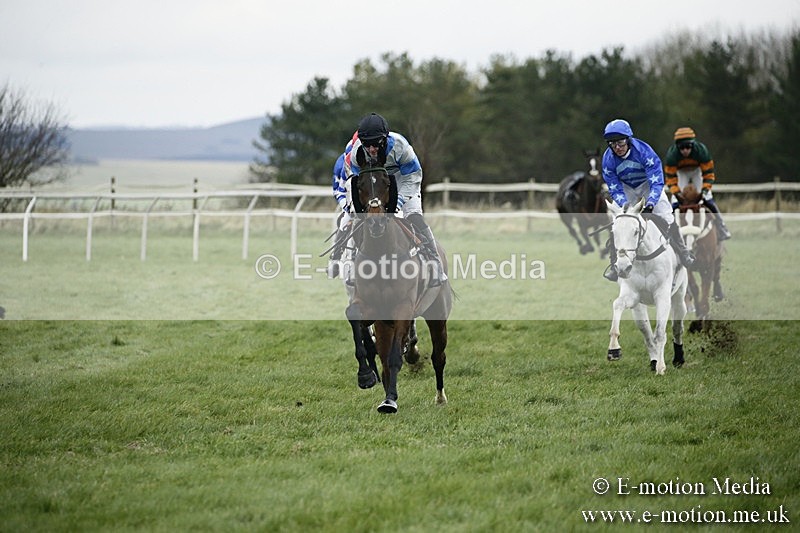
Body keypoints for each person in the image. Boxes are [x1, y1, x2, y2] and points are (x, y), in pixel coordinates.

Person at [344, 112, 445, 287]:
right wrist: (360, 207)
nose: (372, 149)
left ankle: (434, 262)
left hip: (404, 179)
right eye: (367, 145)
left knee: (414, 217)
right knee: (358, 219)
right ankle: (352, 261)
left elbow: (413, 178)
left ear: (385, 139)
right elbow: (355, 181)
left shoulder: (401, 147)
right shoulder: (356, 152)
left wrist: (395, 204)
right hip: (376, 184)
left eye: (376, 144)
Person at [600, 118, 695, 282]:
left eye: (621, 142)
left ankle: (683, 252)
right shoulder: (608, 159)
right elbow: (614, 186)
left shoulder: (644, 152)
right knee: (618, 220)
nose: (617, 147)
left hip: (647, 184)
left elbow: (656, 180)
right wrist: (624, 205)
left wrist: (650, 203)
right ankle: (614, 263)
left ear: (628, 139)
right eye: (612, 143)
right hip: (626, 188)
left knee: (666, 215)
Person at [663, 127, 732, 240]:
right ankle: (669, 231)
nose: (685, 150)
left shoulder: (702, 151)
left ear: (693, 145)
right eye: (682, 147)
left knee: (708, 198)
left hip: (697, 171)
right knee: (674, 202)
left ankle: (721, 227)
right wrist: (677, 193)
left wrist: (704, 191)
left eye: (688, 147)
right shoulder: (672, 155)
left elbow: (708, 174)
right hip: (681, 173)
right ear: (677, 147)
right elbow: (670, 178)